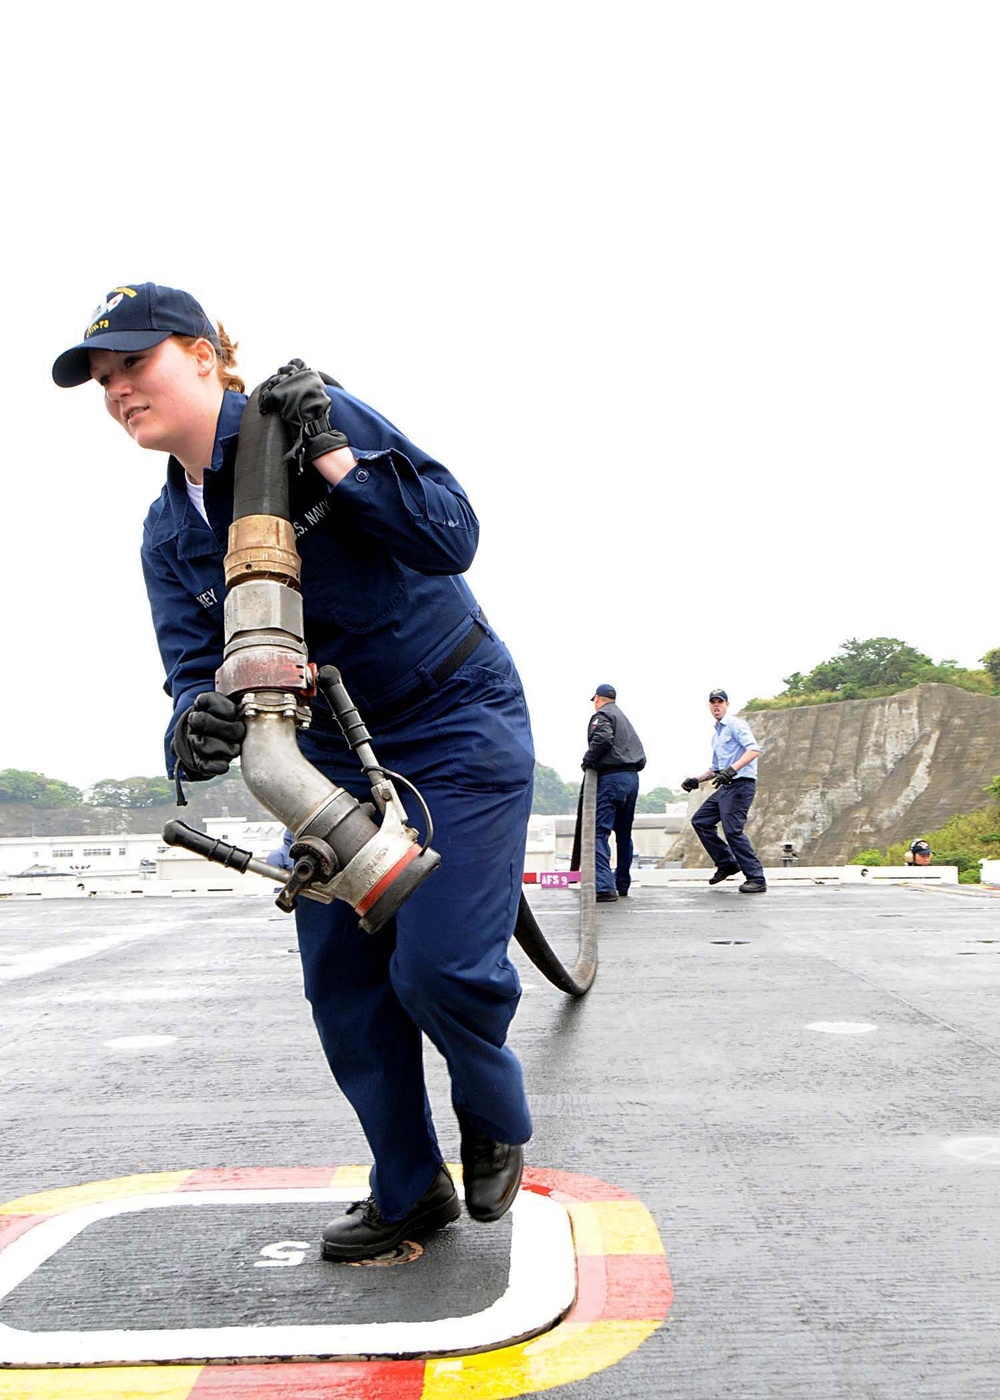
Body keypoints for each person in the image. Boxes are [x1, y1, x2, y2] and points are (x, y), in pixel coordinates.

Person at [52, 282, 535, 1261]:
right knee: (344, 986)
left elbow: (452, 534)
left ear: (201, 353)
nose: (117, 392)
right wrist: (192, 726)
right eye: (103, 381)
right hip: (323, 762)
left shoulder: (306, 412)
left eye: (133, 366)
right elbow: (190, 672)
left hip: (451, 719)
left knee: (438, 968)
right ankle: (409, 1189)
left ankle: (492, 1110)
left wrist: (337, 456)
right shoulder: (167, 532)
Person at [681, 688, 766, 894]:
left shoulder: (736, 724)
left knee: (732, 831)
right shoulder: (717, 734)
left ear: (727, 704)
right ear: (709, 706)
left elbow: (754, 750)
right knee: (700, 821)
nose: (716, 705)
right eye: (713, 702)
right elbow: (716, 768)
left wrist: (731, 770)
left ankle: (756, 878)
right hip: (726, 786)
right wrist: (696, 780)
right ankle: (727, 863)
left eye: (720, 702)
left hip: (741, 784)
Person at [581, 684, 646, 903]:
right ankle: (622, 883)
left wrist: (588, 760)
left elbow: (603, 739)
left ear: (597, 698)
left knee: (599, 832)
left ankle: (604, 886)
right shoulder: (625, 720)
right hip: (632, 778)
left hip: (612, 779)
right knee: (624, 834)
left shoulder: (602, 715)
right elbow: (642, 755)